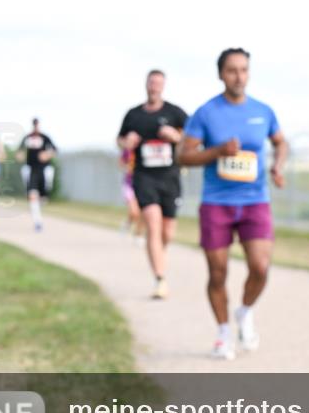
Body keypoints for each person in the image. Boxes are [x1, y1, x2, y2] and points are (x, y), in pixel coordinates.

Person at [179, 48, 288, 360]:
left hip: (255, 201)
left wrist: (277, 165)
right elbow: (183, 156)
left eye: (244, 70)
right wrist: (217, 152)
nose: (239, 76)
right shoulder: (206, 113)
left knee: (260, 267)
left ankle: (244, 311)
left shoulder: (263, 111)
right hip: (217, 203)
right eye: (232, 70)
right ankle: (224, 332)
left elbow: (281, 142)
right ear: (220, 74)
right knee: (217, 272)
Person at [117, 70, 188, 299]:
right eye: (151, 82)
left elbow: (194, 139)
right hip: (144, 177)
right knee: (153, 226)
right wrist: (126, 143)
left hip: (170, 177)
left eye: (158, 83)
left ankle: (158, 252)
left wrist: (176, 137)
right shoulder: (134, 115)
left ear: (163, 86)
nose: (154, 86)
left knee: (167, 231)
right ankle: (160, 279)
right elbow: (119, 139)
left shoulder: (175, 113)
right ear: (146, 85)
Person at [17, 118, 57, 232]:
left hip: (44, 170)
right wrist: (20, 156)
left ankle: (46, 193)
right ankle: (37, 221)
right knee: (33, 195)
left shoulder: (45, 137)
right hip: (31, 170)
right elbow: (19, 152)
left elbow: (54, 150)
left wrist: (47, 154)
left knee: (42, 197)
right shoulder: (27, 138)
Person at [119, 147, 145, 245]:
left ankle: (138, 234)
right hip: (129, 184)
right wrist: (127, 167)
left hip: (143, 184)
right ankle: (127, 223)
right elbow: (120, 163)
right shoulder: (128, 150)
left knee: (144, 212)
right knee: (134, 212)